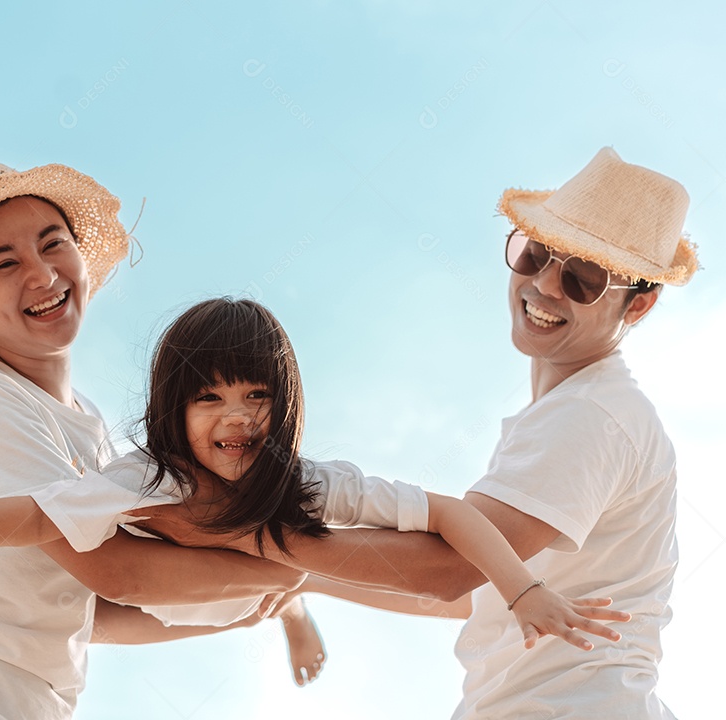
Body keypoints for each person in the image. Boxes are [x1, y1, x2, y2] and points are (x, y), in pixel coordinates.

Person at [0, 299, 629, 689]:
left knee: (288, 578)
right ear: (170, 411)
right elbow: (33, 515)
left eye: (257, 396)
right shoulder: (144, 477)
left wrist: (523, 588)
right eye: (209, 397)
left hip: (233, 600)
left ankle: (291, 604)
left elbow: (450, 514)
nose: (236, 418)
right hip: (143, 601)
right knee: (122, 590)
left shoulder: (309, 483)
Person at [137, 147, 696, 719]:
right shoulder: (575, 410)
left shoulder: (590, 416)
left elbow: (451, 570)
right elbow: (475, 595)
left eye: (584, 279)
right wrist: (305, 578)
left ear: (640, 305)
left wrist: (234, 529)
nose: (546, 286)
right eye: (536, 254)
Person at [0, 161, 306, 720]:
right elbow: (110, 569)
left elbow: (95, 611)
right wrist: (293, 569)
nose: (41, 276)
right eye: (5, 262)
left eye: (52, 244)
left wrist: (256, 606)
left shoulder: (85, 423)